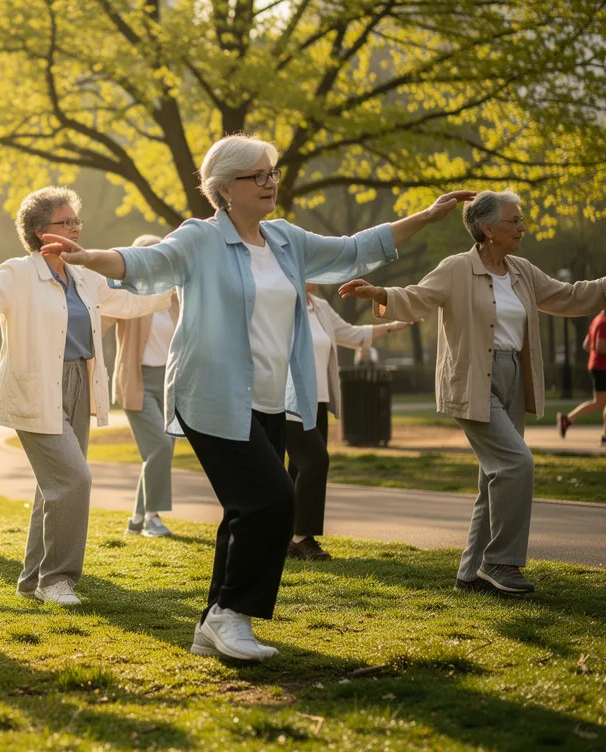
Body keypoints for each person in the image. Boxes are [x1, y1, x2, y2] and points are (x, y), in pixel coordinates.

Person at [39, 133, 474, 661]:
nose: (270, 182)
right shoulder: (200, 239)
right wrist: (87, 256)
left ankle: (212, 624)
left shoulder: (286, 240)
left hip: (269, 397)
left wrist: (427, 216)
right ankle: (231, 615)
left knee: (244, 510)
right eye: (257, 175)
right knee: (275, 500)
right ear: (225, 189)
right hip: (212, 396)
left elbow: (355, 249)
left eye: (272, 172)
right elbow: (145, 263)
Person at [340, 190, 606, 596]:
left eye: (520, 220)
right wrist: (380, 295)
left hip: (515, 375)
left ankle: (469, 575)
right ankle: (500, 562)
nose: (522, 227)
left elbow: (567, 295)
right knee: (517, 464)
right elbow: (419, 298)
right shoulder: (457, 268)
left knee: (493, 477)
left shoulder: (522, 271)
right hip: (472, 378)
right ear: (487, 228)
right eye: (514, 221)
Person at [0, 187, 173, 606]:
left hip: (79, 382)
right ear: (42, 231)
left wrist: (174, 288)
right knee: (74, 479)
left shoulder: (84, 274)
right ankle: (56, 579)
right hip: (35, 387)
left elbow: (125, 301)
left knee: (54, 486)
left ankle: (31, 580)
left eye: (76, 220)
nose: (76, 228)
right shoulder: (17, 273)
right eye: (66, 222)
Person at [286, 286, 414, 561]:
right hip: (290, 400)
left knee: (299, 468)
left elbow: (352, 335)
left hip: (318, 400)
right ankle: (300, 537)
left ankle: (287, 538)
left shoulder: (319, 307)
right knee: (315, 462)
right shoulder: (283, 303)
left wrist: (392, 326)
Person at [103, 234, 179, 539]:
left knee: (158, 453)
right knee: (160, 447)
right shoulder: (127, 295)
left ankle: (136, 518)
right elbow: (99, 320)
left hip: (170, 384)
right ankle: (151, 518)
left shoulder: (174, 297)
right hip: (137, 382)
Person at [558, 306, 606, 446]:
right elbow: (600, 346)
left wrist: (596, 354)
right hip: (602, 368)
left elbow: (586, 345)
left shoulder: (596, 320)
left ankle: (569, 420)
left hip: (600, 367)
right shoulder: (604, 323)